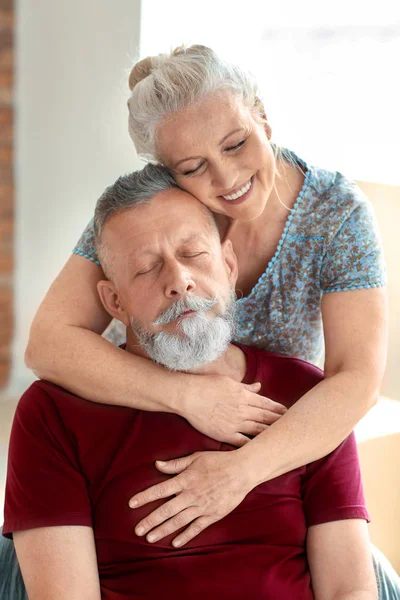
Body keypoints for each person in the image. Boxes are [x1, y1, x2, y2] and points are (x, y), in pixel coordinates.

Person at [20, 45, 399, 595]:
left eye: (237, 143)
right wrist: (190, 397)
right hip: (133, 431)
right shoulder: (155, 210)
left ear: (262, 117)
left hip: (278, 452)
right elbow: (49, 343)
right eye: (194, 168)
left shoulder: (335, 214)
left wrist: (239, 474)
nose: (226, 177)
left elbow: (357, 380)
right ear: (166, 171)